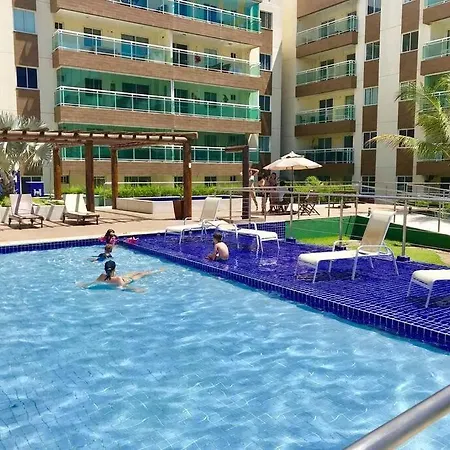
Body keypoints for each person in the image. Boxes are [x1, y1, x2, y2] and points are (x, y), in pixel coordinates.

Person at [79, 260, 161, 292]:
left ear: (105, 269)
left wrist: (83, 285)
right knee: (141, 274)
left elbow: (92, 283)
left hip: (123, 278)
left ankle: (157, 270)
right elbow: (125, 287)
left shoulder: (102, 276)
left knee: (136, 272)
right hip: (129, 279)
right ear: (114, 269)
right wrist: (136, 290)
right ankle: (158, 270)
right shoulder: (118, 279)